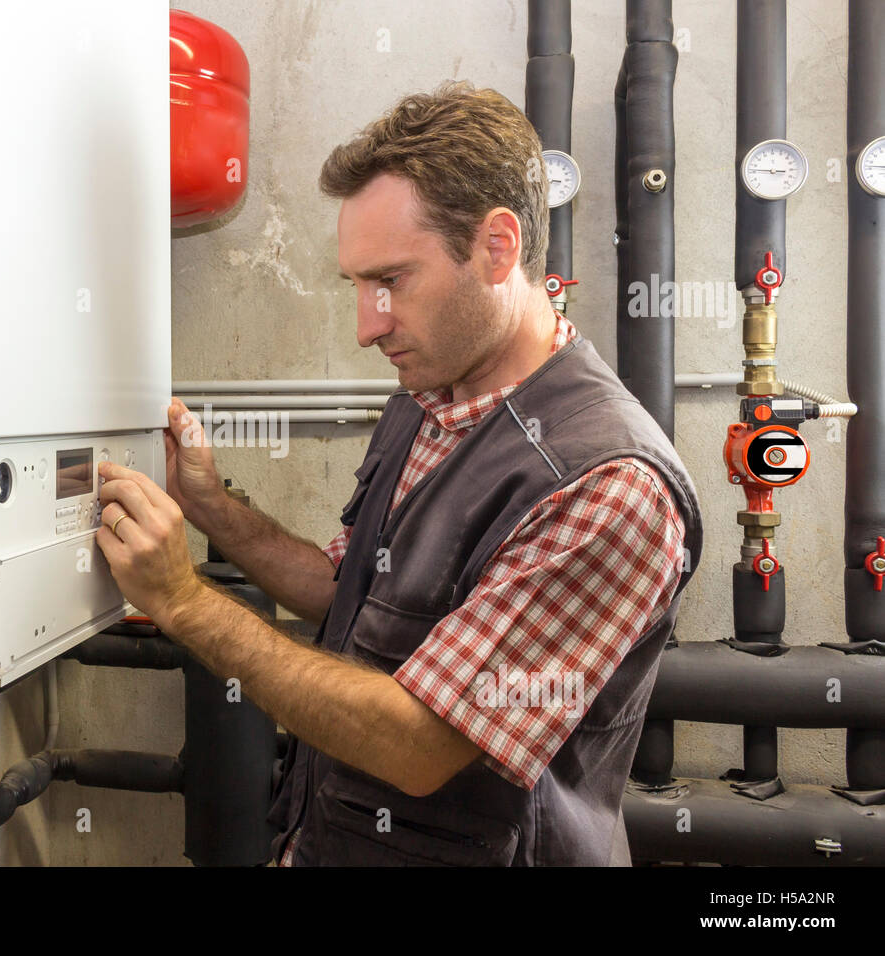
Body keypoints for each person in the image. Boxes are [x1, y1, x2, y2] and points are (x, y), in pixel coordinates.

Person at [93, 80, 702, 865]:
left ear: (497, 248)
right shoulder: (429, 397)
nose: (365, 326)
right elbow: (345, 592)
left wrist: (181, 599)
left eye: (390, 281)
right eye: (356, 285)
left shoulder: (607, 484)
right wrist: (212, 509)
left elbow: (422, 744)